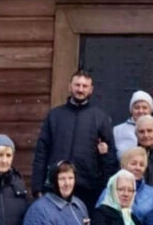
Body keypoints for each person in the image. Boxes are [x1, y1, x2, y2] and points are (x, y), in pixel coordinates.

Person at [31, 70, 117, 211]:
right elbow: (41, 152)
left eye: (85, 86)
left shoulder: (100, 118)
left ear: (91, 89)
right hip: (55, 187)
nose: (80, 89)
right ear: (70, 86)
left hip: (87, 190)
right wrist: (37, 187)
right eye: (77, 85)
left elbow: (110, 157)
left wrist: (106, 191)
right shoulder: (54, 116)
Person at [97, 147, 153, 220]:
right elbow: (99, 218)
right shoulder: (109, 191)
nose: (137, 168)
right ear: (123, 166)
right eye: (133, 164)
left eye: (141, 165)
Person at [113, 90, 153, 157]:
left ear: (151, 110)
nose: (141, 111)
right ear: (131, 110)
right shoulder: (118, 130)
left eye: (144, 108)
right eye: (137, 108)